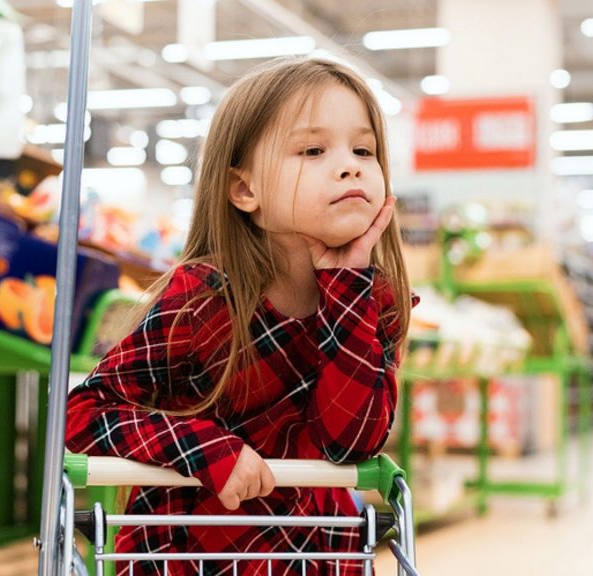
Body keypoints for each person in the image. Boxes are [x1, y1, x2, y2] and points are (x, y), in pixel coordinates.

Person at [65, 57, 414, 576]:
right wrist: (205, 448)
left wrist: (346, 285)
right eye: (314, 150)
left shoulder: (375, 300)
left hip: (315, 554)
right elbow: (85, 413)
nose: (350, 166)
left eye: (364, 149)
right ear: (244, 189)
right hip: (190, 555)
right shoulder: (202, 300)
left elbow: (350, 441)